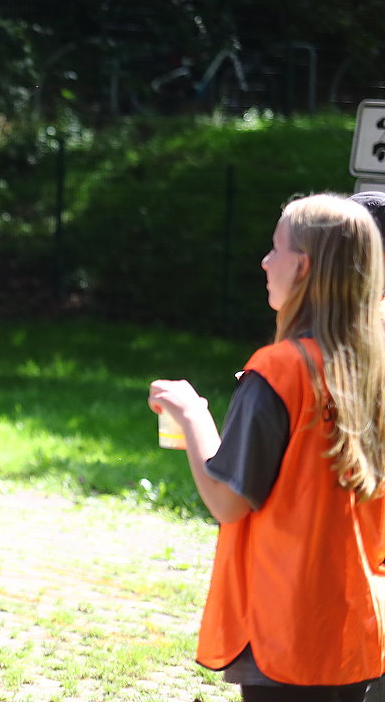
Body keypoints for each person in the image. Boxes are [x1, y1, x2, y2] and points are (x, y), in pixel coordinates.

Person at [148, 193, 385, 701]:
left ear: (302, 267)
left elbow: (228, 501)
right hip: (356, 626)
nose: (264, 261)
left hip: (285, 628)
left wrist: (192, 414)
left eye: (276, 248)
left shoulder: (279, 370)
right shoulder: (373, 370)